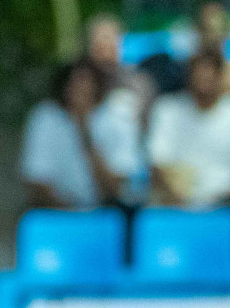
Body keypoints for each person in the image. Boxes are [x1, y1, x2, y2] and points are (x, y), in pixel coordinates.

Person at [147, 49, 230, 210]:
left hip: (229, 209)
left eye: (211, 72)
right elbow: (157, 163)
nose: (204, 79)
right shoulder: (166, 110)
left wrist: (217, 204)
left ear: (221, 76)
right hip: (174, 207)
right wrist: (181, 201)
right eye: (198, 72)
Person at [19, 60, 142, 209]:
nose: (78, 91)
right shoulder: (46, 117)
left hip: (105, 217)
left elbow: (115, 190)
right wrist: (72, 212)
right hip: (58, 216)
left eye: (85, 84)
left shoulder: (117, 118)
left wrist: (84, 128)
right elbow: (36, 182)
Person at [83, 13, 154, 128]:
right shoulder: (78, 87)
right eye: (100, 48)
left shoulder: (138, 83)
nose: (106, 54)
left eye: (110, 47)